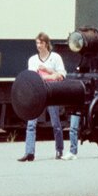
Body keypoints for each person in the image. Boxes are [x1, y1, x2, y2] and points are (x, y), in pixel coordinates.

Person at [18, 32, 67, 162]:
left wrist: (47, 74)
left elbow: (62, 75)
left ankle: (59, 149)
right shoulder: (33, 59)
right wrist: (51, 76)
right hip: (37, 93)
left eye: (40, 43)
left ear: (46, 44)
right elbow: (33, 77)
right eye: (37, 43)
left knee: (55, 123)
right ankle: (29, 152)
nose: (38, 45)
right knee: (31, 124)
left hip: (52, 92)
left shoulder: (55, 58)